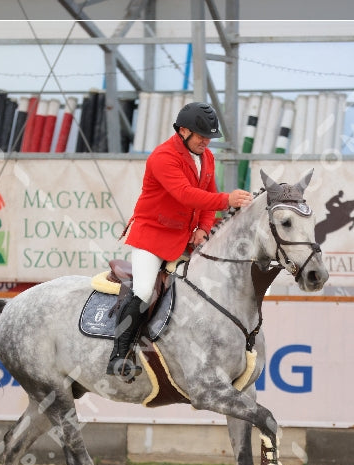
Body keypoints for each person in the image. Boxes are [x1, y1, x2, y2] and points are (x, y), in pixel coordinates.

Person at [106, 101, 254, 379]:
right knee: (144, 290)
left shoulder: (206, 157)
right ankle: (119, 355)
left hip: (184, 239)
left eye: (209, 137)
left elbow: (208, 200)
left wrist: (204, 228)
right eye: (201, 136)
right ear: (183, 131)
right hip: (152, 237)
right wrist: (228, 200)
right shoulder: (162, 157)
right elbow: (185, 194)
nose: (206, 141)